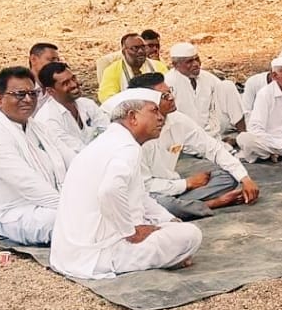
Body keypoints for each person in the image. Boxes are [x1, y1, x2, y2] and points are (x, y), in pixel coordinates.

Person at [50, 88, 203, 279]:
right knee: (191, 235)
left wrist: (168, 219)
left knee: (174, 228)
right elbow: (109, 191)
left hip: (73, 253)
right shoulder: (126, 146)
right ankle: (168, 258)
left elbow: (141, 196)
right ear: (132, 117)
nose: (161, 118)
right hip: (99, 254)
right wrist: (131, 231)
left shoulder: (113, 141)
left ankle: (169, 254)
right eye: (154, 111)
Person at [0, 67, 77, 245]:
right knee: (65, 220)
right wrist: (74, 208)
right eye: (19, 94)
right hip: (7, 215)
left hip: (47, 203)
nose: (28, 99)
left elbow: (73, 160)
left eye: (32, 94)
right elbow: (29, 185)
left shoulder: (37, 127)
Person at [130, 73, 258, 220]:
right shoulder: (135, 135)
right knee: (160, 204)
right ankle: (211, 204)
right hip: (151, 194)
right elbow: (144, 186)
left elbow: (213, 148)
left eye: (170, 92)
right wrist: (187, 183)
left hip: (177, 188)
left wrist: (245, 178)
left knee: (229, 177)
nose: (172, 98)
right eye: (164, 96)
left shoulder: (178, 120)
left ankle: (185, 206)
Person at [164, 42, 246, 137]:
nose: (196, 64)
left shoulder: (206, 77)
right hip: (184, 134)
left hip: (211, 128)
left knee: (227, 86)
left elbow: (226, 98)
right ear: (176, 65)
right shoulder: (168, 82)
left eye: (197, 59)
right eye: (189, 62)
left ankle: (243, 135)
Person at [33, 62, 108, 152]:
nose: (74, 84)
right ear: (51, 91)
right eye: (65, 83)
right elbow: (78, 151)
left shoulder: (87, 104)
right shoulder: (48, 120)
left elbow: (108, 130)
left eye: (73, 78)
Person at [98, 33, 168, 102]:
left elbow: (169, 90)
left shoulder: (158, 66)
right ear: (124, 52)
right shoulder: (112, 70)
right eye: (135, 48)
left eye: (143, 47)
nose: (140, 51)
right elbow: (108, 98)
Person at [95, 29, 162, 83]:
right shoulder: (113, 62)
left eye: (157, 46)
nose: (155, 49)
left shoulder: (157, 62)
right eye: (150, 46)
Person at [28, 42, 61, 110]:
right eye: (51, 60)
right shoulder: (20, 89)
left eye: (57, 60)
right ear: (33, 59)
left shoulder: (57, 89)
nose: (56, 64)